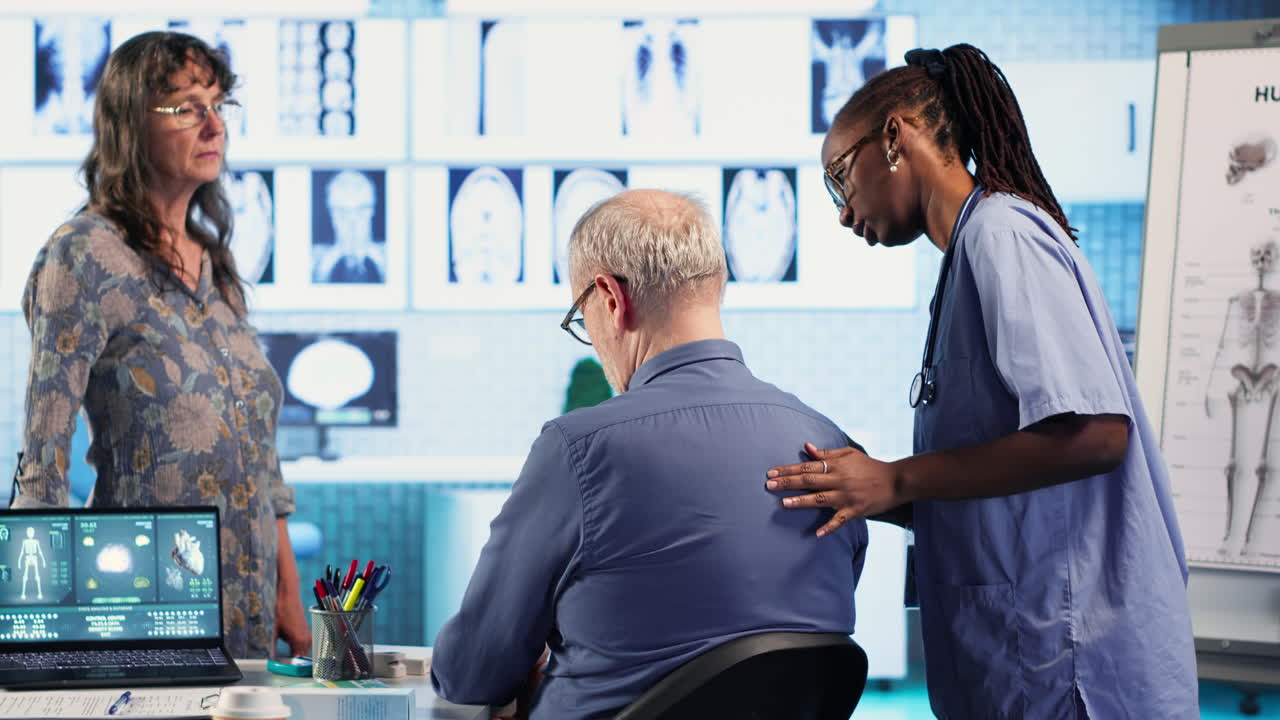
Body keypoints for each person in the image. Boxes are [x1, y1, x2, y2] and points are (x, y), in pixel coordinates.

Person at [766, 45, 1198, 718]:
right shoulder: (970, 251)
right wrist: (870, 489)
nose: (844, 213)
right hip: (1022, 667)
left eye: (839, 179)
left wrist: (901, 478)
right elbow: (1000, 491)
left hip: (1070, 672)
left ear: (894, 138)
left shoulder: (1003, 234)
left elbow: (1097, 437)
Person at [430, 190, 869, 719]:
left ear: (611, 299)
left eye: (581, 317)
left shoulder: (580, 450)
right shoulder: (831, 446)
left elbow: (470, 672)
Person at [12, 31, 310, 660]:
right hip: (144, 614)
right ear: (129, 126)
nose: (212, 124)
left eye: (218, 104)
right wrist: (34, 646)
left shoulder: (216, 263)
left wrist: (289, 591)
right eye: (184, 107)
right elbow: (44, 462)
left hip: (248, 618)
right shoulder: (85, 254)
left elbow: (261, 452)